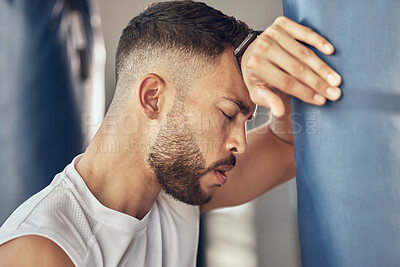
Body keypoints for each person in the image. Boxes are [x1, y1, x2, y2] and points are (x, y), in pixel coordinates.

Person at [0, 1, 341, 266]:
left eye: (246, 120)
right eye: (227, 114)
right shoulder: (42, 251)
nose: (240, 141)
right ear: (153, 98)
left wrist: (262, 56)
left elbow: (291, 146)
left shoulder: (173, 194)